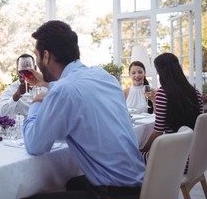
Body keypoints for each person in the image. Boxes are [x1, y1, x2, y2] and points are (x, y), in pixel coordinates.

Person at [22, 20, 144, 199]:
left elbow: (35, 145)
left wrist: (36, 103)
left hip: (113, 194)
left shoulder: (63, 91)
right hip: (140, 185)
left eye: (37, 56)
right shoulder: (104, 76)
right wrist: (49, 85)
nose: (37, 62)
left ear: (46, 56)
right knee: (70, 183)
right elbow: (77, 91)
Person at [140, 52, 203, 165]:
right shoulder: (196, 93)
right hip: (195, 158)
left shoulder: (163, 93)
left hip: (174, 161)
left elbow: (157, 132)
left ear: (161, 72)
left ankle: (146, 182)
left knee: (134, 157)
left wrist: (142, 149)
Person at [0, 53, 35, 118]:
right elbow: (0, 114)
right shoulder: (10, 90)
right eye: (22, 66)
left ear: (35, 68)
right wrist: (15, 97)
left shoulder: (44, 88)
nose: (25, 70)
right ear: (17, 70)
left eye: (28, 66)